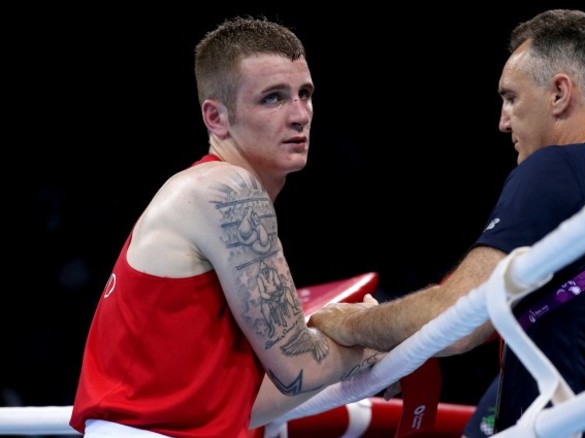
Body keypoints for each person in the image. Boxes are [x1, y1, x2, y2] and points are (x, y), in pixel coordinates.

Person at [309, 9, 585, 437]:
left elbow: (458, 320)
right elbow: (490, 311)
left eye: (511, 98)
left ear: (560, 93)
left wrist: (348, 322)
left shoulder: (558, 167)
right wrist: (398, 338)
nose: (503, 120)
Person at [69, 16, 381, 438]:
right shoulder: (223, 190)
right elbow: (299, 366)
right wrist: (374, 333)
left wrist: (368, 358)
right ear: (216, 118)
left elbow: (246, 400)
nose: (299, 114)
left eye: (304, 94)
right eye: (273, 98)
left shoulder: (220, 198)